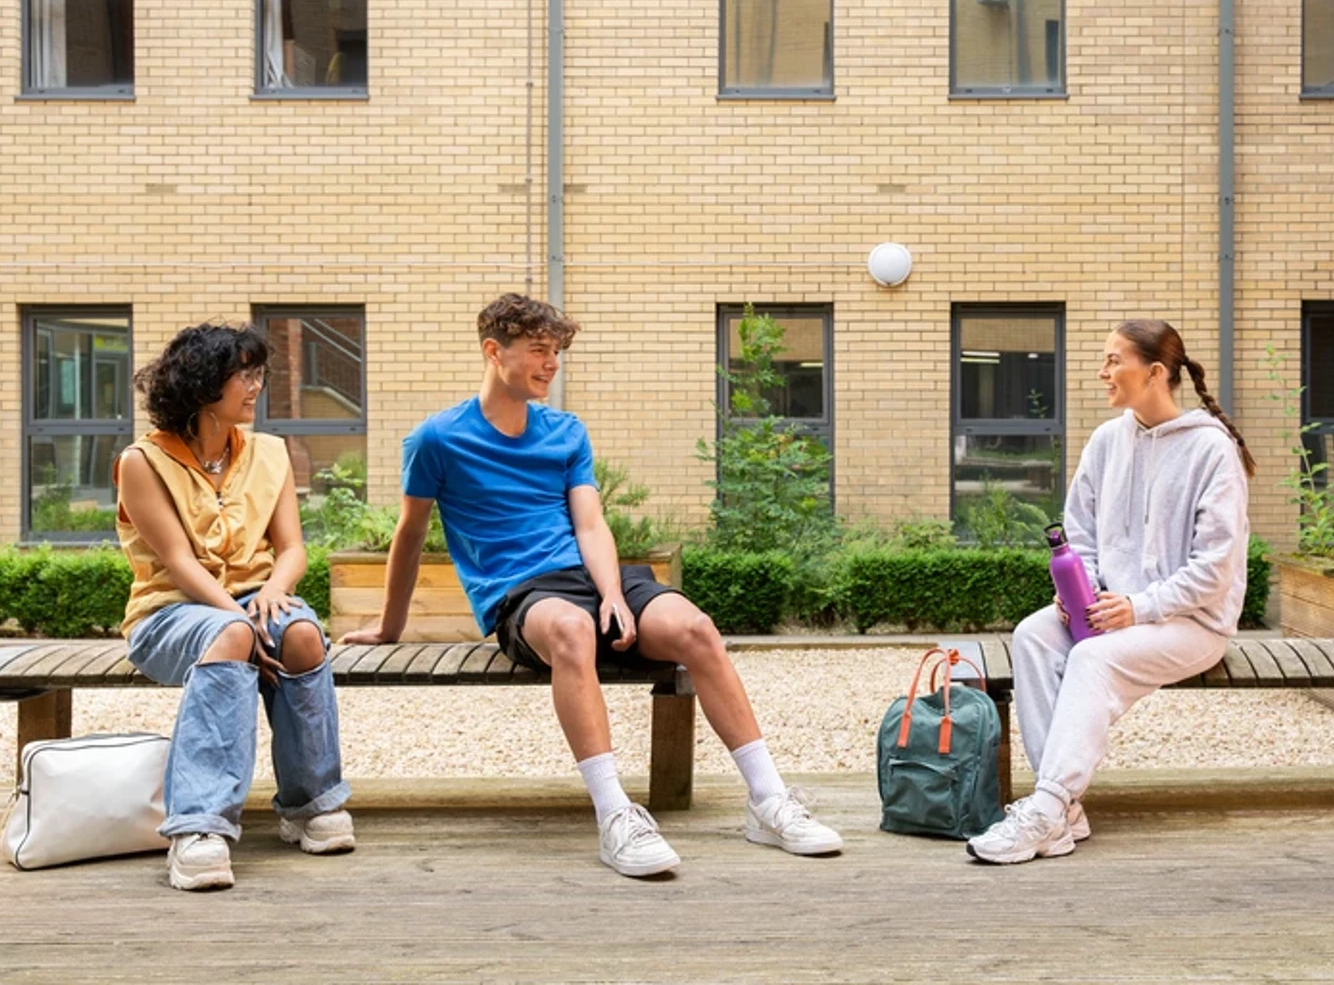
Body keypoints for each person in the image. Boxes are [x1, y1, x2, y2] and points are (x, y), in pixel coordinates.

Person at [343, 294, 842, 878]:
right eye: (538, 350)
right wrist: (391, 626)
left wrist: (611, 593)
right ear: (493, 352)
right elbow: (410, 534)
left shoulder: (565, 431)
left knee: (696, 629)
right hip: (522, 596)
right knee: (574, 628)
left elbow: (589, 522)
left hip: (589, 577)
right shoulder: (437, 439)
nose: (551, 363)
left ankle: (768, 801)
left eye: (556, 351)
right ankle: (614, 816)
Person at [965, 319, 1253, 865]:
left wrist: (1140, 606)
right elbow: (1082, 532)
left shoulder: (1212, 451)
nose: (1103, 372)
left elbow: (1215, 567)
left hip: (1191, 624)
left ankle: (1047, 806)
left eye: (1113, 360)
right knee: (1033, 635)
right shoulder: (1106, 440)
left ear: (1155, 372)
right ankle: (1065, 810)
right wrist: (1082, 594)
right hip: (1111, 611)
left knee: (1092, 659)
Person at [116, 324, 353, 892]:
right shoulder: (141, 462)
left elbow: (293, 549)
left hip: (250, 600)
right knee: (231, 635)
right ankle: (199, 827)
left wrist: (274, 591)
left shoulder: (270, 453)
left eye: (257, 373)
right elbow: (178, 563)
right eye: (243, 375)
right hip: (169, 613)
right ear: (202, 384)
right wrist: (243, 618)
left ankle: (310, 804)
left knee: (301, 634)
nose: (256, 386)